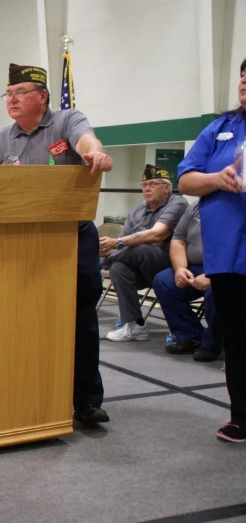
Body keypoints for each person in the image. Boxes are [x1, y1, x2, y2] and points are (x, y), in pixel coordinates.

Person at [0, 63, 114, 424]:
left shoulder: (66, 121)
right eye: (9, 94)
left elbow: (86, 141)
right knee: (25, 319)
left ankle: (86, 400)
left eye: (20, 93)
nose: (12, 100)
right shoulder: (0, 141)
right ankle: (31, 393)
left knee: (80, 320)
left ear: (42, 96)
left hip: (70, 238)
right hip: (19, 244)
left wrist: (94, 153)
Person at [175, 57, 246, 443]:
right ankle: (242, 416)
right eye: (242, 76)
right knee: (236, 339)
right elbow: (185, 179)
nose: (245, 82)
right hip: (230, 254)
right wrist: (217, 179)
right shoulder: (220, 128)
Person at [99, 165, 188, 341]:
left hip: (168, 265)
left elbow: (157, 234)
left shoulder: (178, 203)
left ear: (167, 188)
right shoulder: (138, 209)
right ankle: (134, 324)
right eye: (144, 184)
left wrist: (112, 247)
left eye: (153, 184)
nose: (147, 189)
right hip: (141, 269)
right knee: (118, 268)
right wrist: (115, 246)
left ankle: (99, 263)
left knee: (141, 248)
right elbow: (122, 244)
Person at [152, 201, 222, 361]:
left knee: (219, 290)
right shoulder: (196, 206)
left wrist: (214, 274)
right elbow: (178, 239)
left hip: (225, 269)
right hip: (195, 267)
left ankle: (214, 343)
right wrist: (180, 269)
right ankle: (190, 335)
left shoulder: (237, 205)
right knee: (163, 281)